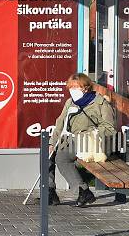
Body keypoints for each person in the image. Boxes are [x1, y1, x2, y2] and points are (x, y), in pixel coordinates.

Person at [47, 73, 116, 207]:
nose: (73, 91)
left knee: (61, 158)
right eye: (70, 88)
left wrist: (92, 133)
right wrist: (51, 142)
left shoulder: (100, 102)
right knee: (49, 154)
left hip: (92, 143)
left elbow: (109, 128)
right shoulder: (70, 102)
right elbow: (59, 124)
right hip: (72, 140)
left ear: (85, 88)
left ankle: (82, 190)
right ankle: (51, 192)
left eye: (76, 87)